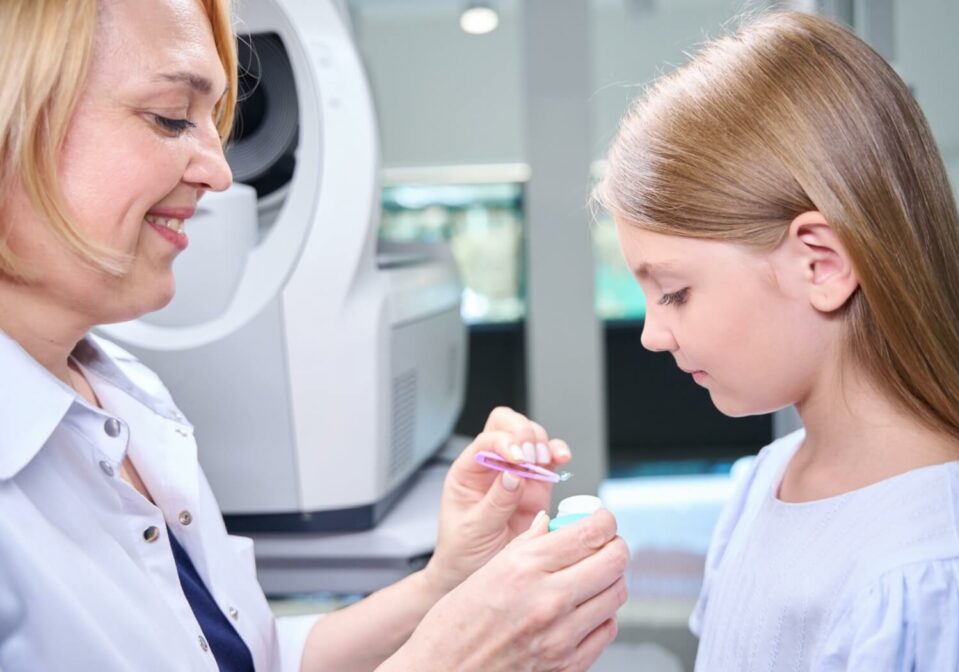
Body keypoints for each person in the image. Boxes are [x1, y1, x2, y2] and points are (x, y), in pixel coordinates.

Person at [0, 1, 629, 671]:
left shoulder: (127, 394)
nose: (219, 172)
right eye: (170, 117)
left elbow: (248, 656)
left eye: (214, 127)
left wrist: (443, 586)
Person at [594, 10, 959, 672]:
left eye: (676, 291)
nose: (652, 334)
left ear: (820, 264)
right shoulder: (763, 483)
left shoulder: (937, 570)